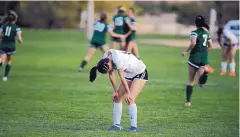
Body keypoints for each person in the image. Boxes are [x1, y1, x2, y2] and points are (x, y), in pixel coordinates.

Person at [89, 49, 148, 132]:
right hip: (128, 73)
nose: (111, 70)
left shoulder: (117, 58)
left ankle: (134, 127)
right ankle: (116, 125)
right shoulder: (105, 58)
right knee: (117, 98)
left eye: (109, 68)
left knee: (130, 99)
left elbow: (121, 77)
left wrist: (128, 92)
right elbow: (111, 75)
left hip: (140, 72)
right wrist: (115, 91)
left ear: (108, 64)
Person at [181, 15, 213, 107]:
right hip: (204, 59)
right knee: (200, 83)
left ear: (195, 23)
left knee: (190, 80)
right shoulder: (207, 33)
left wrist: (185, 51)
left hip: (194, 58)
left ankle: (188, 102)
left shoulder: (194, 33)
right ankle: (205, 72)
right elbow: (211, 46)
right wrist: (203, 51)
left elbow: (193, 43)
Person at [0, 10, 23, 81]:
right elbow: (19, 39)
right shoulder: (17, 28)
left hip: (3, 45)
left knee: (2, 60)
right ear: (15, 19)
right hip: (11, 46)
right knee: (9, 61)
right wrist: (20, 41)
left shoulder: (3, 26)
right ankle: (5, 77)